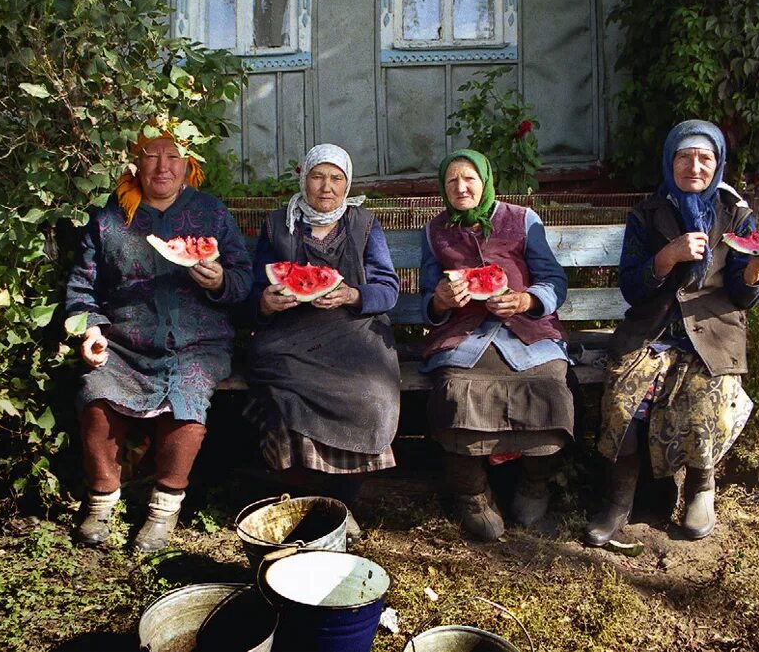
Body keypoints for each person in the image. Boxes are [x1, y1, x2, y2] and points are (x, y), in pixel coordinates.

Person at [584, 119, 759, 546]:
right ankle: (618, 501)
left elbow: (743, 294)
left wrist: (755, 267)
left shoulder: (735, 213)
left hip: (711, 331)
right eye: (684, 157)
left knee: (706, 395)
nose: (694, 167)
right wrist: (665, 258)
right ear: (670, 161)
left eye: (705, 158)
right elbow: (632, 287)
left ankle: (701, 488)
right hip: (654, 329)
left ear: (717, 163)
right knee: (624, 393)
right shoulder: (647, 213)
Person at [65, 116, 252, 552]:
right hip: (125, 341)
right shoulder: (110, 218)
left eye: (173, 157)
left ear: (188, 165)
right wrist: (90, 329)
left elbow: (244, 282)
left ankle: (163, 510)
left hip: (199, 341)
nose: (162, 167)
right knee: (95, 393)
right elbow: (81, 287)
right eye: (151, 156)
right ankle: (101, 500)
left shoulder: (211, 213)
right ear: (135, 164)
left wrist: (221, 280)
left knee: (187, 399)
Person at [243, 144, 401, 540]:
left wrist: (352, 295)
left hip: (353, 332)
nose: (326, 187)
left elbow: (388, 288)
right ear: (304, 179)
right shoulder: (277, 224)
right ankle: (308, 501)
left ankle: (343, 504)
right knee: (284, 396)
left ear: (347, 184)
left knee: (372, 395)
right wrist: (266, 300)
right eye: (318, 176)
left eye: (336, 178)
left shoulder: (364, 224)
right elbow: (256, 290)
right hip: (288, 334)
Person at [419, 149, 574, 541]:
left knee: (551, 387)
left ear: (485, 181)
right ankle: (473, 495)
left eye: (469, 178)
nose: (461, 187)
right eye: (452, 180)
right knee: (454, 391)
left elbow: (554, 279)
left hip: (527, 330)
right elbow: (427, 297)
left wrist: (526, 300)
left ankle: (532, 486)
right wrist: (440, 300)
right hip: (464, 335)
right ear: (443, 187)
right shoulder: (434, 230)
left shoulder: (523, 219)